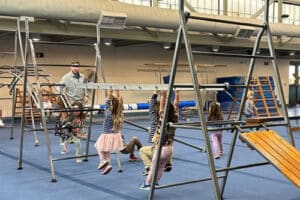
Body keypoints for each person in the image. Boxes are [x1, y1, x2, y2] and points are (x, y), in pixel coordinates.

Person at [139, 90, 179, 190]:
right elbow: (176, 105)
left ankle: (147, 184)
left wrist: (163, 94)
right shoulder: (175, 119)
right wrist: (177, 94)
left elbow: (162, 107)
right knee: (161, 168)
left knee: (153, 168)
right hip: (170, 149)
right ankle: (156, 183)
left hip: (160, 149)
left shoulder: (162, 120)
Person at [94, 90, 124, 175]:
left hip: (106, 135)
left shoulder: (108, 114)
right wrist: (117, 94)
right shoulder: (120, 113)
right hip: (115, 136)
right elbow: (120, 103)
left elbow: (107, 104)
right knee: (106, 150)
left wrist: (109, 94)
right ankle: (107, 165)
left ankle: (103, 161)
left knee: (99, 148)